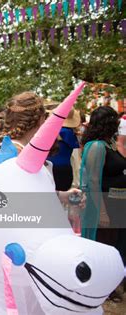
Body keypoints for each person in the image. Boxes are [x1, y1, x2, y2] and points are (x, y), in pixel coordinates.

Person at [80, 106, 125, 302]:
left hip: (119, 204)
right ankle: (102, 287)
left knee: (116, 245)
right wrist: (103, 212)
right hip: (105, 205)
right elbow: (93, 182)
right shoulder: (96, 146)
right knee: (105, 246)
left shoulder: (110, 144)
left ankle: (112, 283)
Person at [47, 109, 81, 191]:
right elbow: (75, 146)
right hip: (63, 168)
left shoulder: (50, 130)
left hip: (49, 166)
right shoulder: (69, 132)